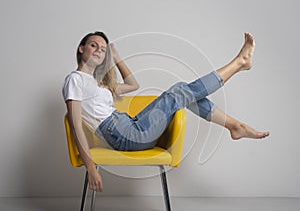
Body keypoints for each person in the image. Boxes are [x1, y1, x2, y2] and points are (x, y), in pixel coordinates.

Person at [62, 31, 269, 192]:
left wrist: (116, 57)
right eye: (93, 45)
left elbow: (133, 84)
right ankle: (239, 64)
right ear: (81, 49)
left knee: (181, 93)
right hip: (124, 135)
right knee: (179, 92)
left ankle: (235, 126)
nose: (99, 50)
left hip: (130, 125)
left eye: (103, 49)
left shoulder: (99, 84)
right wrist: (90, 167)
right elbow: (76, 124)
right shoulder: (75, 80)